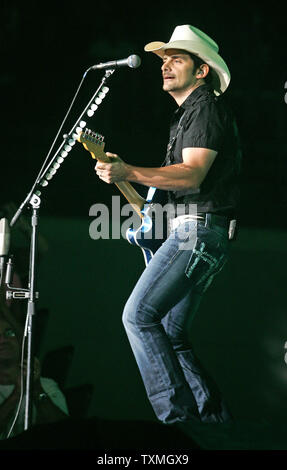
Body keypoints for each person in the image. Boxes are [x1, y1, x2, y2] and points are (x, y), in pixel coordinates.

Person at [95, 25, 241, 425]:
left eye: (177, 58)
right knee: (171, 334)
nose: (165, 65)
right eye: (163, 59)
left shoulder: (205, 108)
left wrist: (130, 170)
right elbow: (175, 187)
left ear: (202, 71)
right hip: (200, 232)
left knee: (138, 315)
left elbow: (192, 176)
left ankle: (175, 422)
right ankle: (212, 425)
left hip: (197, 233)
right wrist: (127, 178)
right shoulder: (187, 116)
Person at [0, 301, 69, 439]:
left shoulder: (46, 385)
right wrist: (16, 395)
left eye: (9, 333)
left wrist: (36, 390)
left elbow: (67, 432)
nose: (3, 340)